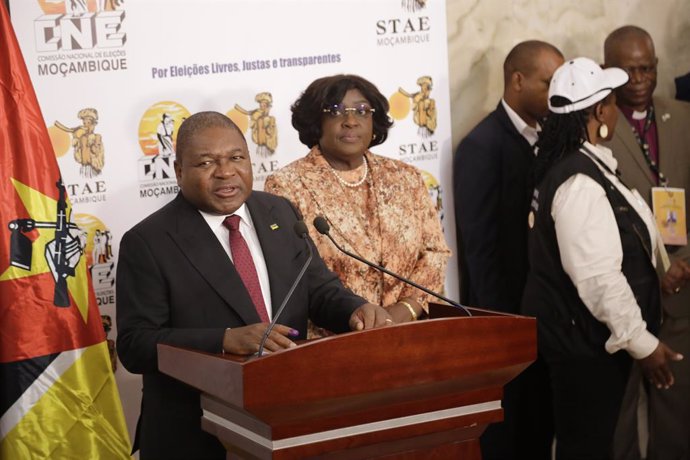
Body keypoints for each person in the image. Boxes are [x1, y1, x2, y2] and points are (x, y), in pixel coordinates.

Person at [116, 111, 392, 460]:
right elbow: (134, 344)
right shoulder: (149, 241)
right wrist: (225, 339)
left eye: (236, 158)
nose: (226, 172)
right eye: (206, 162)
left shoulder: (279, 212)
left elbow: (318, 289)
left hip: (287, 419)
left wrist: (355, 309)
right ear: (179, 172)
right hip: (196, 432)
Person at [523, 57, 684, 460]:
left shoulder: (587, 165)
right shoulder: (579, 181)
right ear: (599, 112)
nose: (617, 110)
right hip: (586, 352)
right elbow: (598, 279)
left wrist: (656, 276)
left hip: (588, 346)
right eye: (612, 102)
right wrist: (644, 344)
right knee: (592, 446)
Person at [264, 74, 450, 336]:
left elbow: (435, 252)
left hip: (410, 331)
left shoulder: (405, 176)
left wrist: (405, 310)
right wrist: (361, 319)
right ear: (316, 121)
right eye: (336, 111)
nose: (351, 121)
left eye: (362, 111)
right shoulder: (286, 186)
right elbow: (298, 275)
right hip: (335, 339)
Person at [453, 40, 563, 460]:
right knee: (510, 435)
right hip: (506, 326)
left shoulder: (553, 137)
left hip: (545, 318)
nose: (557, 93)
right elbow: (479, 247)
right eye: (548, 82)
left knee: (541, 429)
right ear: (517, 80)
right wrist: (503, 327)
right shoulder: (481, 146)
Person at [603, 25, 690, 460]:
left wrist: (684, 262)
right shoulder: (597, 125)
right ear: (607, 71)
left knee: (677, 405)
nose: (638, 80)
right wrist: (657, 270)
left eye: (647, 69)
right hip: (627, 293)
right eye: (627, 70)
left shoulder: (683, 114)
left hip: (683, 290)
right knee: (620, 410)